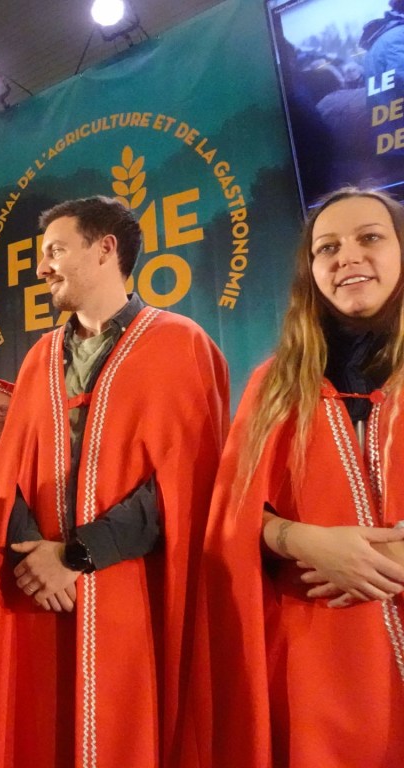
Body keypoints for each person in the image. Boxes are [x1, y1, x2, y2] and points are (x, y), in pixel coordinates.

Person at [0, 196, 229, 768]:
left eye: (56, 251)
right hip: (40, 591)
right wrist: (34, 556)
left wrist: (76, 556)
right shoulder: (39, 356)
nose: (42, 267)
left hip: (130, 589)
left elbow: (188, 481)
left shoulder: (181, 343)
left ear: (106, 249)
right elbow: (10, 472)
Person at [198, 188, 404, 767]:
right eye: (327, 248)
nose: (347, 257)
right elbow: (231, 520)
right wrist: (299, 538)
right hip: (316, 663)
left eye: (370, 237)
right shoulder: (275, 385)